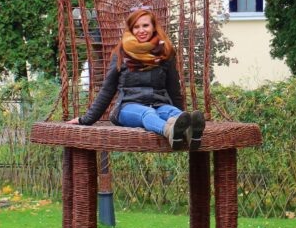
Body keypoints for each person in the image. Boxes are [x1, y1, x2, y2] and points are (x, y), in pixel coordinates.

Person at [67, 9, 205, 150]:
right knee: (148, 113)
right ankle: (169, 131)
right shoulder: (121, 53)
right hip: (127, 107)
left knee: (173, 112)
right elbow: (107, 90)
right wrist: (86, 119)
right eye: (136, 27)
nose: (141, 30)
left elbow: (173, 89)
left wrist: (181, 116)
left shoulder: (165, 53)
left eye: (145, 25)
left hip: (158, 104)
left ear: (153, 27)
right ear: (131, 30)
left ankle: (190, 131)